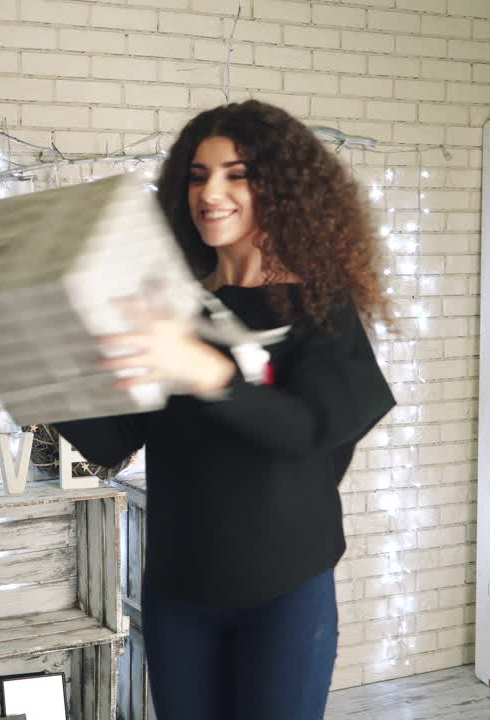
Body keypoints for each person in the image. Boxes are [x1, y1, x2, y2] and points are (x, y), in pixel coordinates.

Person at [53, 100, 396, 720]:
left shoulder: (318, 308)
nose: (210, 192)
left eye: (236, 175)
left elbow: (311, 429)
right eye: (198, 175)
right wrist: (43, 368)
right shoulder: (168, 307)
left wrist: (209, 373)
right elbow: (111, 442)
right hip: (179, 591)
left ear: (281, 189)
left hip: (285, 590)